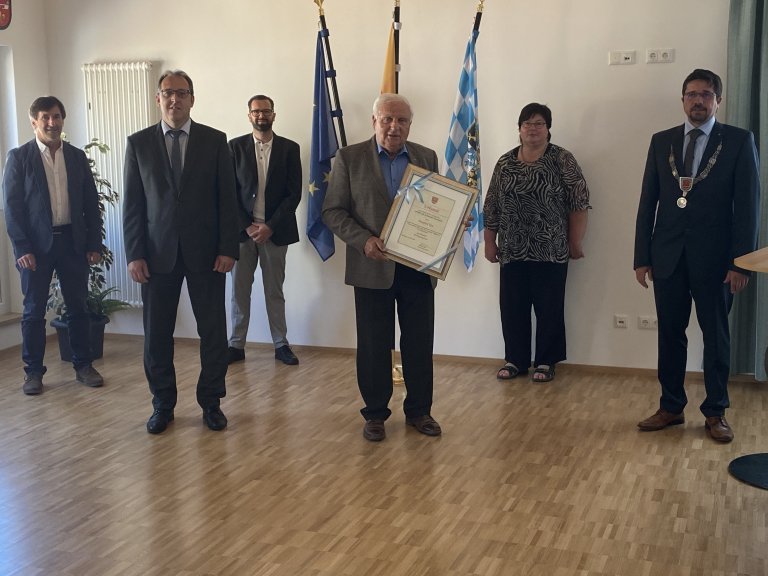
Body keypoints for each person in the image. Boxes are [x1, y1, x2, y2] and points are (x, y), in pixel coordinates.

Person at [634, 69, 760, 443]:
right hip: (668, 257)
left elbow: (749, 207)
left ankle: (716, 411)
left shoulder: (738, 141)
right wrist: (642, 256)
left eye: (706, 94)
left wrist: (741, 263)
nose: (698, 101)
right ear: (683, 99)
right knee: (670, 335)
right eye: (691, 94)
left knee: (716, 337)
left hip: (717, 262)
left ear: (718, 100)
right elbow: (647, 203)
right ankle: (671, 406)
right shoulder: (662, 142)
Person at [123, 70, 239, 434]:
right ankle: (162, 404)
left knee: (213, 332)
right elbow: (133, 205)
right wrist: (134, 254)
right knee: (157, 335)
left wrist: (227, 248)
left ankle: (211, 402)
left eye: (182, 93)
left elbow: (228, 200)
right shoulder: (138, 143)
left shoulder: (215, 141)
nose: (175, 99)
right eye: (168, 93)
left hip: (208, 254)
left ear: (193, 98)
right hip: (156, 257)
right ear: (158, 98)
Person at [323, 93, 441, 442]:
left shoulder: (426, 156)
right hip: (371, 265)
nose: (394, 126)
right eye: (387, 119)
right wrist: (363, 240)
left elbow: (437, 207)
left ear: (409, 125)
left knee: (419, 342)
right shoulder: (349, 158)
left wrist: (451, 224)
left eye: (402, 120)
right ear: (374, 121)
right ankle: (375, 414)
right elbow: (332, 211)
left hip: (418, 267)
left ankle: (420, 411)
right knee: (374, 345)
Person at [3, 96, 105, 395]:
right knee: (34, 311)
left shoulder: (76, 157)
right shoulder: (19, 158)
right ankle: (33, 373)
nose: (52, 122)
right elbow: (12, 208)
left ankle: (83, 365)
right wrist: (22, 248)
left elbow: (90, 203)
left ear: (63, 119)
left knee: (78, 308)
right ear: (34, 121)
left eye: (57, 116)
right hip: (36, 248)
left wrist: (94, 242)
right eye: (45, 117)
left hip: (73, 242)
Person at [483, 103, 590, 384]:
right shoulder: (505, 163)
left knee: (549, 308)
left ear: (548, 129)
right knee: (512, 307)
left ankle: (546, 361)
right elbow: (491, 205)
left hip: (551, 250)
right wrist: (489, 243)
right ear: (519, 129)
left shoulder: (561, 159)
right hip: (512, 250)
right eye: (527, 123)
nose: (533, 128)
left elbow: (579, 204)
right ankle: (515, 360)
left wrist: (575, 242)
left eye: (539, 123)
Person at [227, 95, 302, 366]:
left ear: (274, 114)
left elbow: (294, 194)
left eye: (266, 111)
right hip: (241, 234)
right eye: (256, 111)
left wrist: (269, 226)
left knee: (274, 291)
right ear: (249, 115)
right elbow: (228, 193)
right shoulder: (233, 148)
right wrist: (247, 226)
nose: (261, 115)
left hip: (275, 233)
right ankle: (235, 345)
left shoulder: (290, 149)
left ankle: (281, 344)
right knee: (238, 291)